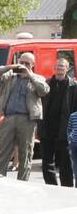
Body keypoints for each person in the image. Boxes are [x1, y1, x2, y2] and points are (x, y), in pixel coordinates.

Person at [0, 53, 50, 181]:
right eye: (21, 62)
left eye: (27, 64)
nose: (23, 66)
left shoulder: (37, 78)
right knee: (2, 154)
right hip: (8, 118)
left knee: (25, 154)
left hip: (27, 120)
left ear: (33, 65)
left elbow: (44, 90)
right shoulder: (9, 76)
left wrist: (30, 76)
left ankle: (23, 184)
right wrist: (11, 66)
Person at [38, 57, 77, 186]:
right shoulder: (47, 83)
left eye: (62, 66)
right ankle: (51, 187)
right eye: (58, 66)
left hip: (65, 130)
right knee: (47, 163)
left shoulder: (74, 86)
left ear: (67, 69)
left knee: (66, 163)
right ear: (54, 68)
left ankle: (67, 189)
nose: (60, 68)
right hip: (47, 129)